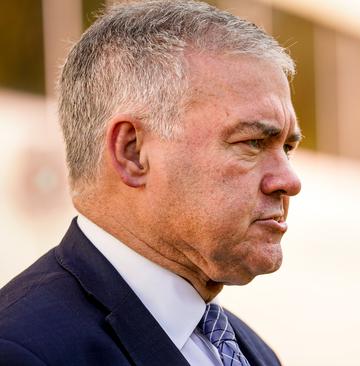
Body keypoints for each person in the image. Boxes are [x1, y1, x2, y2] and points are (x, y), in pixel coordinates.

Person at [0, 0, 301, 365]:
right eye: (253, 142)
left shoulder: (253, 352)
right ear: (132, 152)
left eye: (287, 147)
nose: (289, 180)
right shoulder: (23, 350)